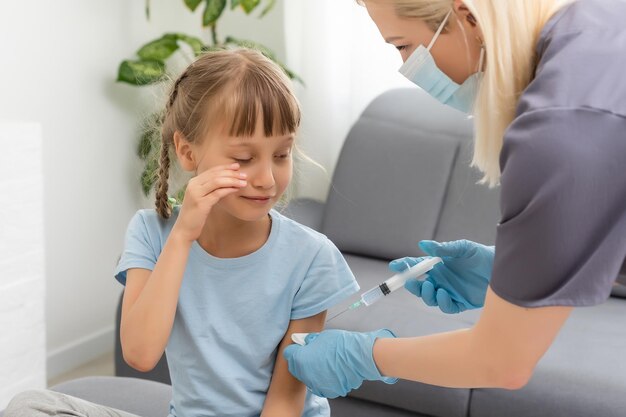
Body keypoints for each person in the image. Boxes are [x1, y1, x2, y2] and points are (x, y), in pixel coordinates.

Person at [284, 0, 626, 399]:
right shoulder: (599, 24)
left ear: (467, 17)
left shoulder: (560, 128)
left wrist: (364, 355)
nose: (408, 67)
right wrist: (515, 271)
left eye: (402, 45)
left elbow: (502, 361)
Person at [4, 49, 359, 417]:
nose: (267, 179)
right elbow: (140, 354)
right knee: (28, 407)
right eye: (243, 158)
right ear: (188, 153)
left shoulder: (311, 258)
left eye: (282, 154)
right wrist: (182, 236)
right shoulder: (152, 232)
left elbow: (286, 400)